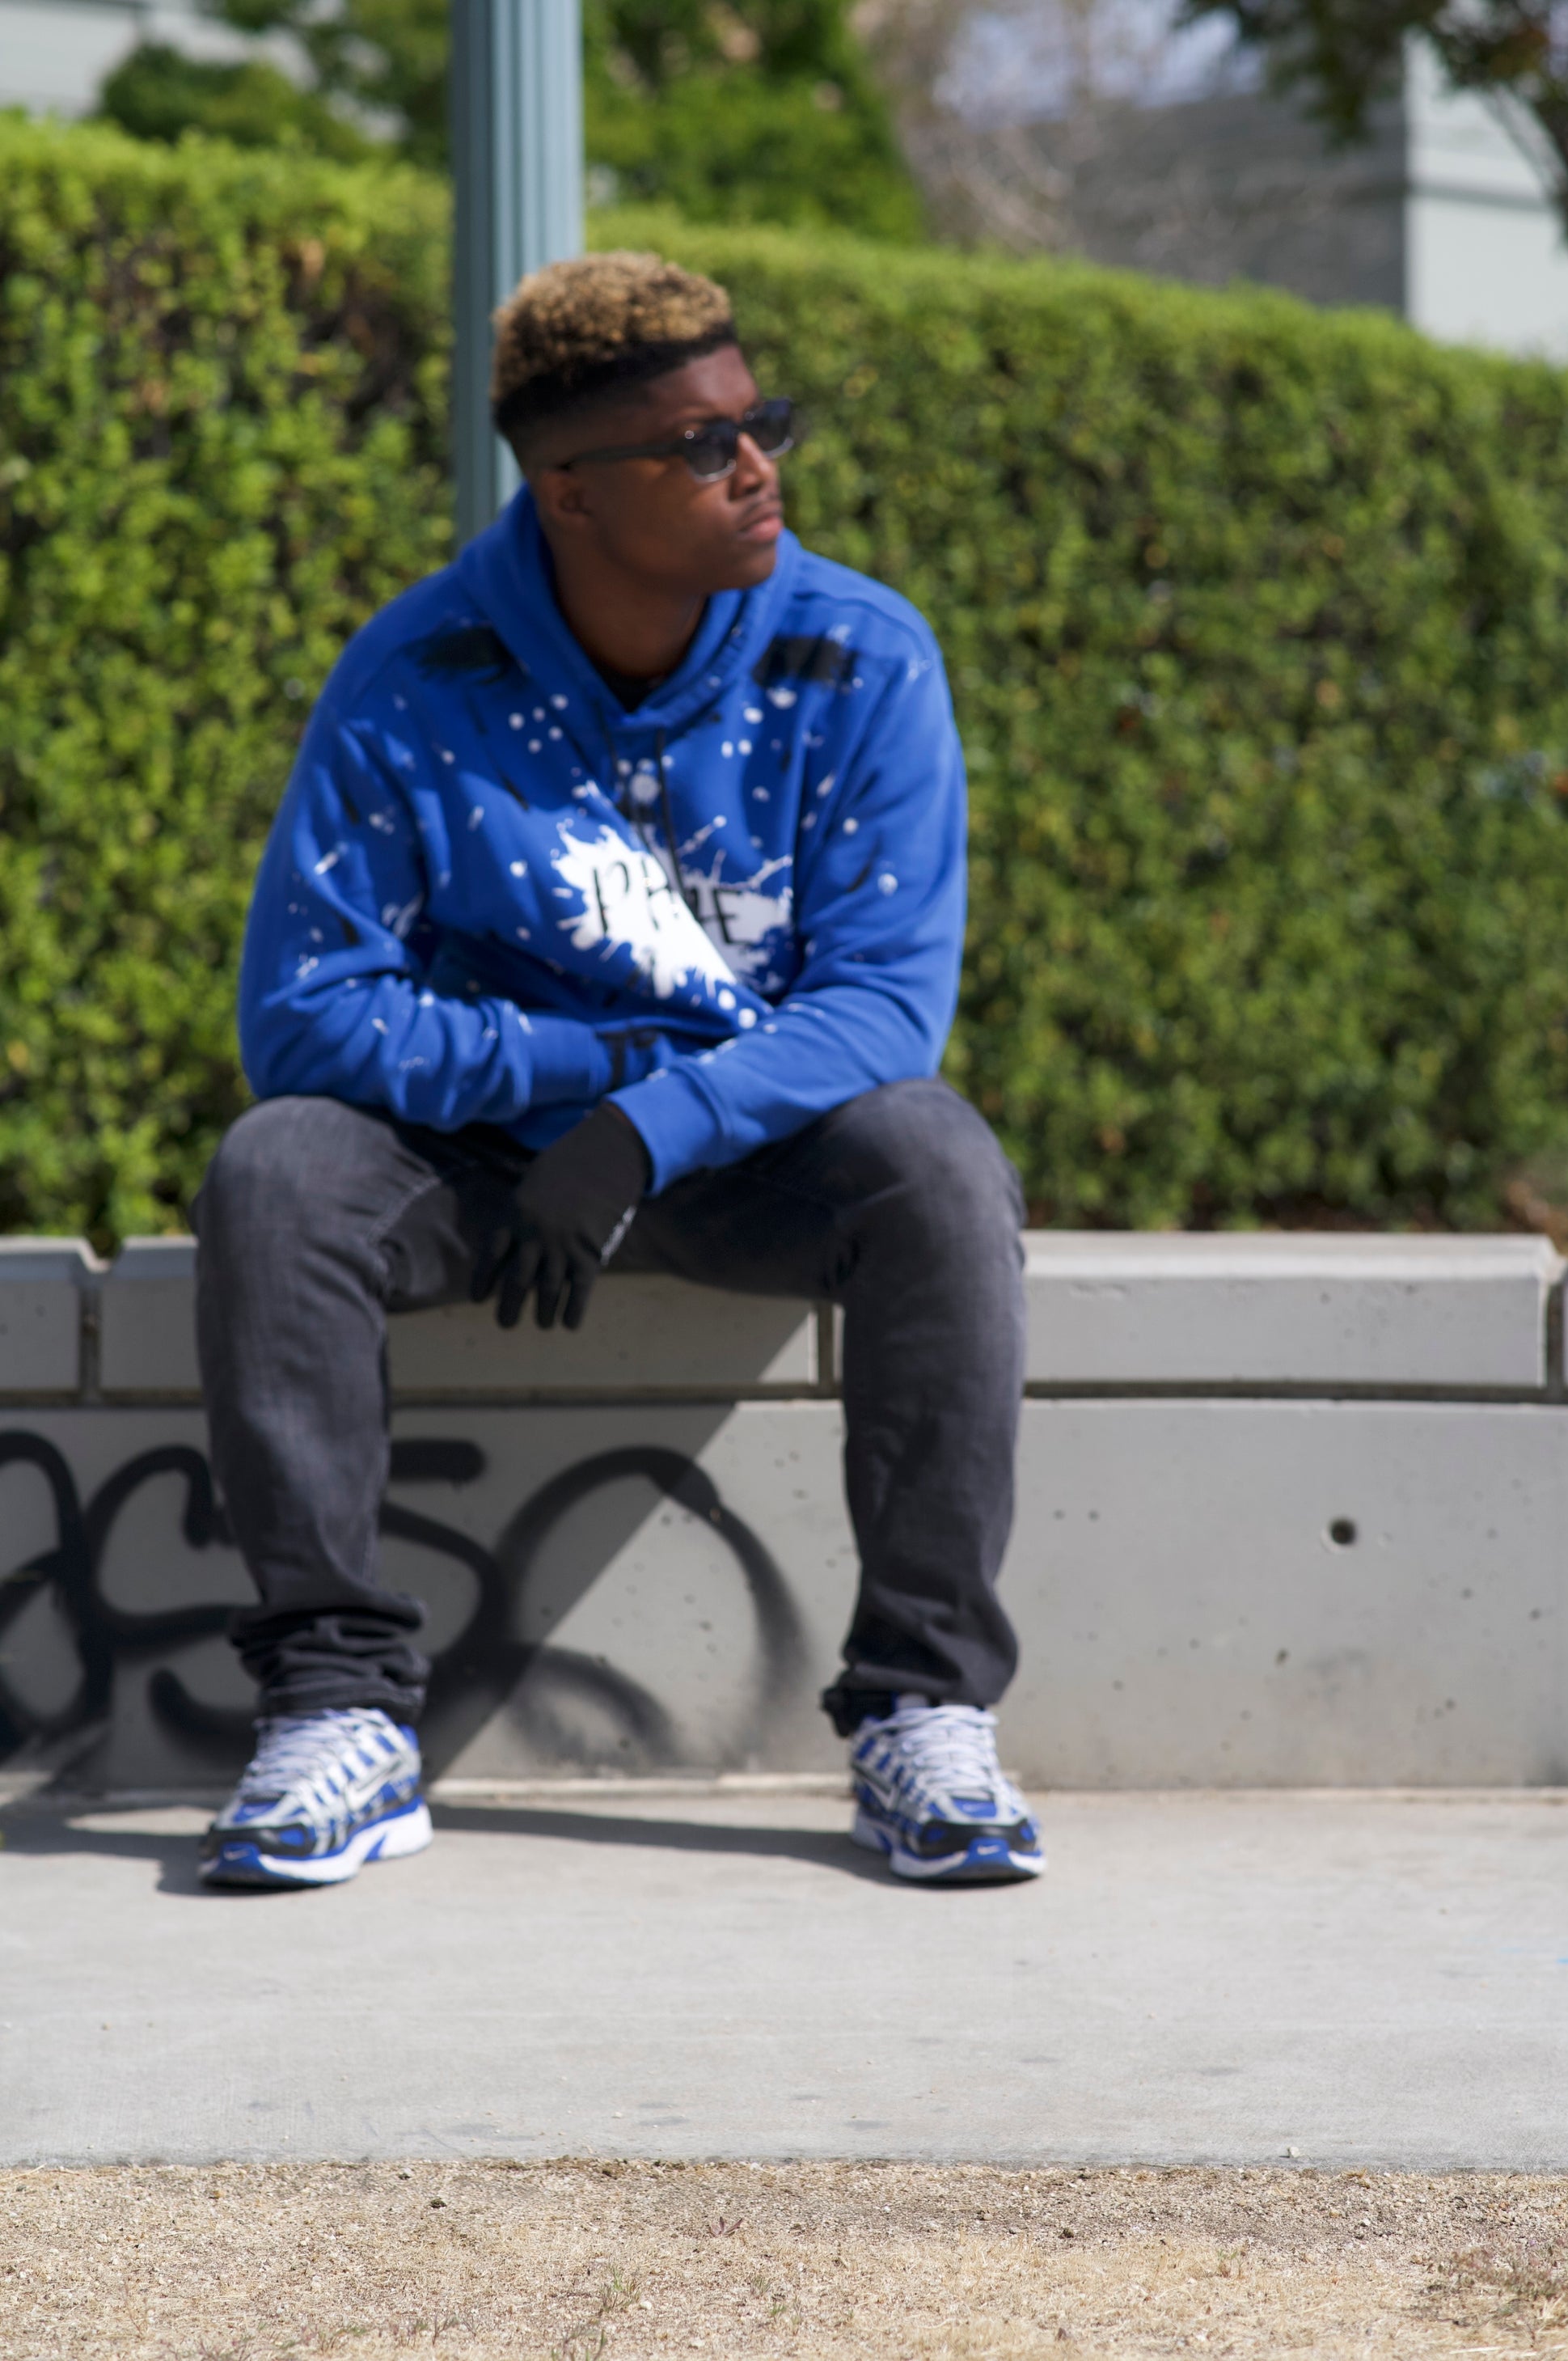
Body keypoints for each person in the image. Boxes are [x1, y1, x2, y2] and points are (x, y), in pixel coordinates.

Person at [194, 251, 1038, 1891]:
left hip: (749, 1153)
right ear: (571, 491)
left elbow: (882, 1008)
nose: (758, 467)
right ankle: (337, 1710)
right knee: (278, 1169)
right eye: (706, 446)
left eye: (762, 422)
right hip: (498, 1160)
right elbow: (304, 1015)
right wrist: (587, 1075)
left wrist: (652, 1123)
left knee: (935, 1158)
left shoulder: (859, 656)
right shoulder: (417, 675)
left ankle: (922, 1705)